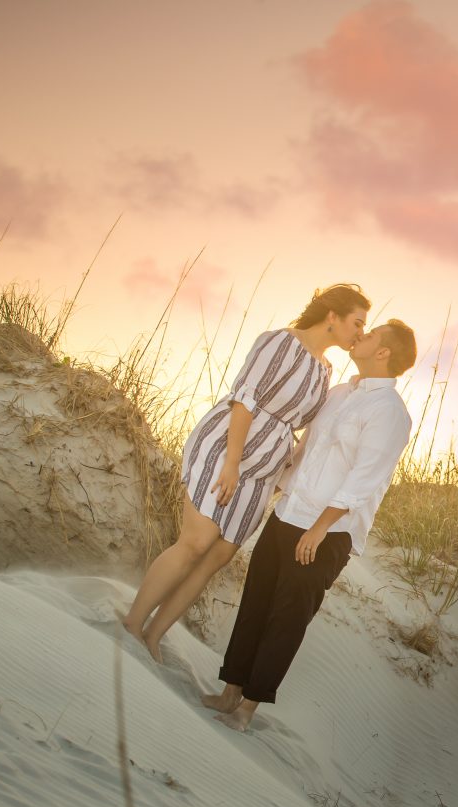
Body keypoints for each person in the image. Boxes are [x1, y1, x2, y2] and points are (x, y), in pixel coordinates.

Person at [121, 283, 372, 662]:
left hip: (262, 475)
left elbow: (301, 428)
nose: (361, 333)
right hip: (227, 451)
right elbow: (246, 400)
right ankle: (132, 624)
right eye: (358, 322)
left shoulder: (325, 370)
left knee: (216, 557)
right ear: (332, 316)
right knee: (195, 542)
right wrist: (232, 464)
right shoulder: (281, 343)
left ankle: (154, 635)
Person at [202, 318, 416, 732]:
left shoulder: (389, 412)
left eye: (370, 335)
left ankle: (248, 708)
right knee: (255, 603)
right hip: (287, 514)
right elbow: (304, 449)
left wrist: (319, 528)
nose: (362, 336)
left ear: (384, 353)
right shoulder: (338, 394)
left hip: (326, 532)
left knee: (286, 618)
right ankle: (230, 691)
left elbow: (366, 476)